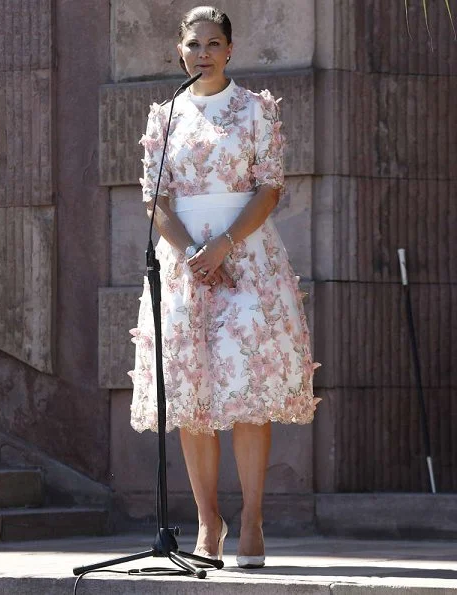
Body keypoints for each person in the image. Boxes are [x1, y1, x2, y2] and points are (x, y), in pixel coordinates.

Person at [128, 5, 320, 569]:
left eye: (214, 43)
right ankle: (208, 521)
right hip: (183, 264)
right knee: (191, 398)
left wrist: (225, 246)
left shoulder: (256, 110)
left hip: (248, 257)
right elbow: (155, 199)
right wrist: (193, 253)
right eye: (194, 44)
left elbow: (269, 188)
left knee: (247, 391)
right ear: (179, 52)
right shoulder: (163, 116)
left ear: (230, 50)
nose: (204, 53)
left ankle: (254, 520)